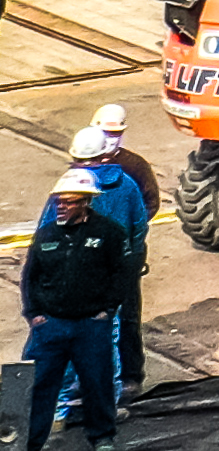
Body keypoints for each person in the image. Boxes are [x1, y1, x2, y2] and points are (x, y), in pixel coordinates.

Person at [19, 170, 130, 451]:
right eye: (58, 201)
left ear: (86, 203)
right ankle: (33, 441)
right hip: (51, 326)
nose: (61, 206)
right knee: (41, 386)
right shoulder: (45, 235)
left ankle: (102, 437)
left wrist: (107, 310)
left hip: (90, 326)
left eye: (69, 202)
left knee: (97, 382)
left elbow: (121, 275)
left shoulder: (109, 234)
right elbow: (30, 276)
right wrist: (34, 315)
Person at [58, 122, 144, 402]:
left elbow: (50, 231)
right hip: (113, 273)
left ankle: (71, 396)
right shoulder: (128, 185)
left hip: (77, 275)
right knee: (112, 332)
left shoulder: (70, 187)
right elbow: (139, 226)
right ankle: (111, 397)